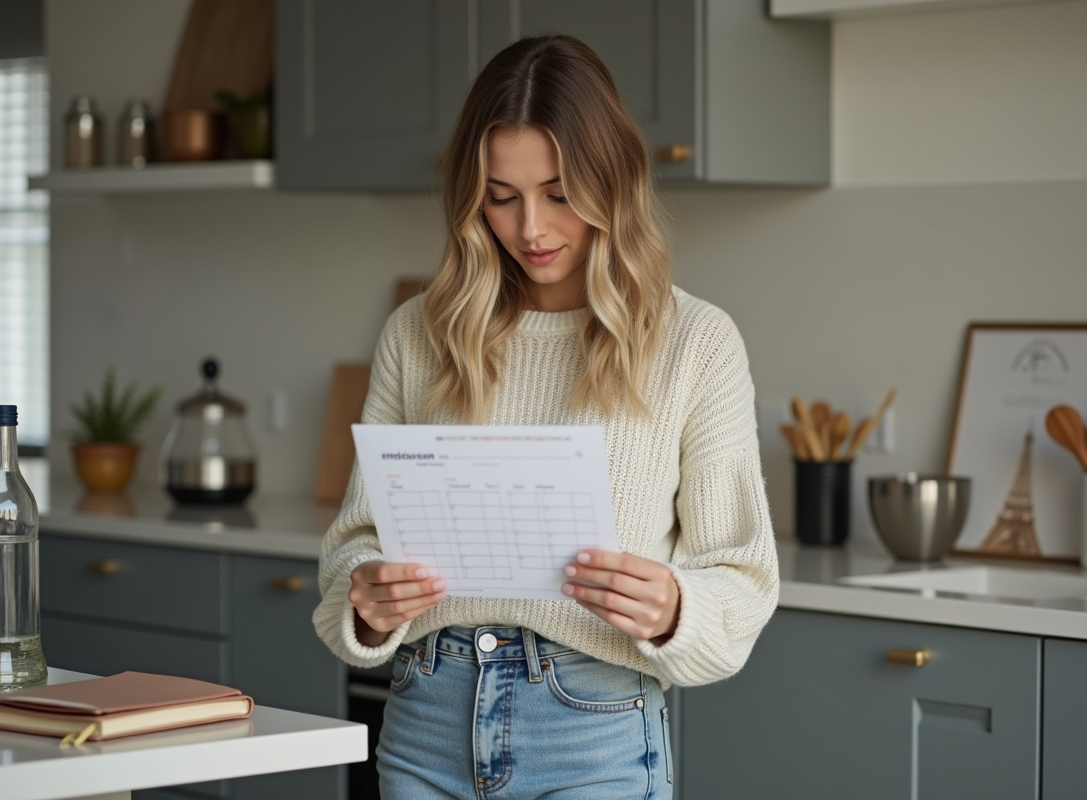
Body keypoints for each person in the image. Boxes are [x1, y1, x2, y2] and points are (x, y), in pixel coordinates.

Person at [314, 33, 779, 800]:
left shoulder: (697, 341)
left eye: (560, 192)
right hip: (425, 723)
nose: (531, 227)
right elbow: (352, 547)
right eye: (502, 196)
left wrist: (674, 608)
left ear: (613, 181)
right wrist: (366, 602)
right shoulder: (415, 335)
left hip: (593, 730)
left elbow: (742, 574)